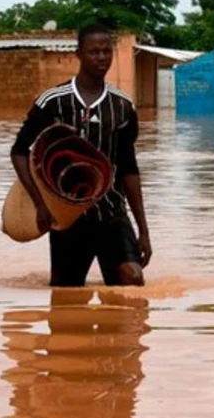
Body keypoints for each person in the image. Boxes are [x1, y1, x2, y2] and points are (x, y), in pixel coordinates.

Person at [10, 25, 151, 287]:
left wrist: (143, 229)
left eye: (106, 51)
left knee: (132, 279)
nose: (101, 58)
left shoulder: (122, 106)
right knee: (65, 297)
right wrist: (40, 203)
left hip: (112, 213)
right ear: (79, 55)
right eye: (94, 52)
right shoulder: (53, 102)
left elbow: (129, 167)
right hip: (66, 217)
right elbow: (19, 151)